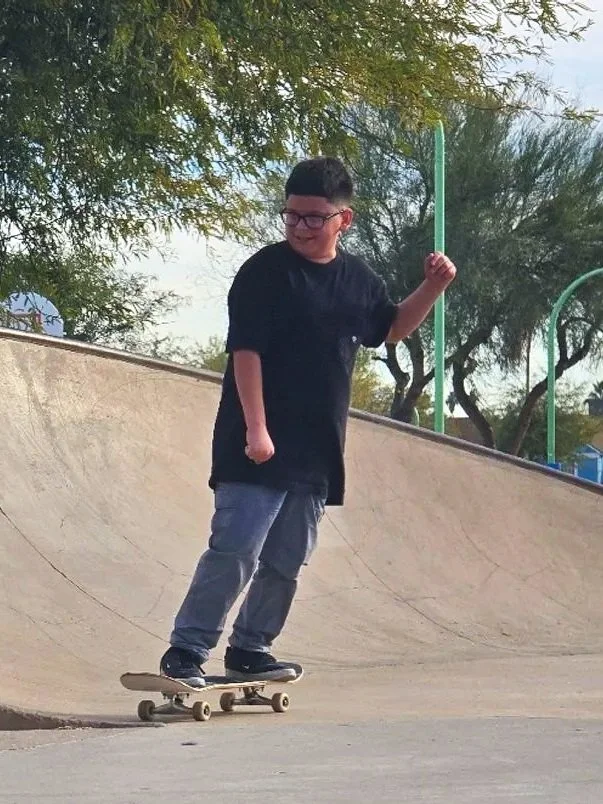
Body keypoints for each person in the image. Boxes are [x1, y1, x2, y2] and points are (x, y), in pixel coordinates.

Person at [160, 157, 456, 686]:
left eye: (314, 217)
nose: (300, 226)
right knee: (236, 549)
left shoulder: (357, 279)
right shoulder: (264, 273)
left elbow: (389, 330)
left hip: (316, 447)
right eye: (292, 215)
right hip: (254, 442)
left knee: (286, 560)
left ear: (345, 219)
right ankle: (187, 650)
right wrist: (256, 429)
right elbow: (245, 354)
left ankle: (251, 647)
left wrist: (432, 288)